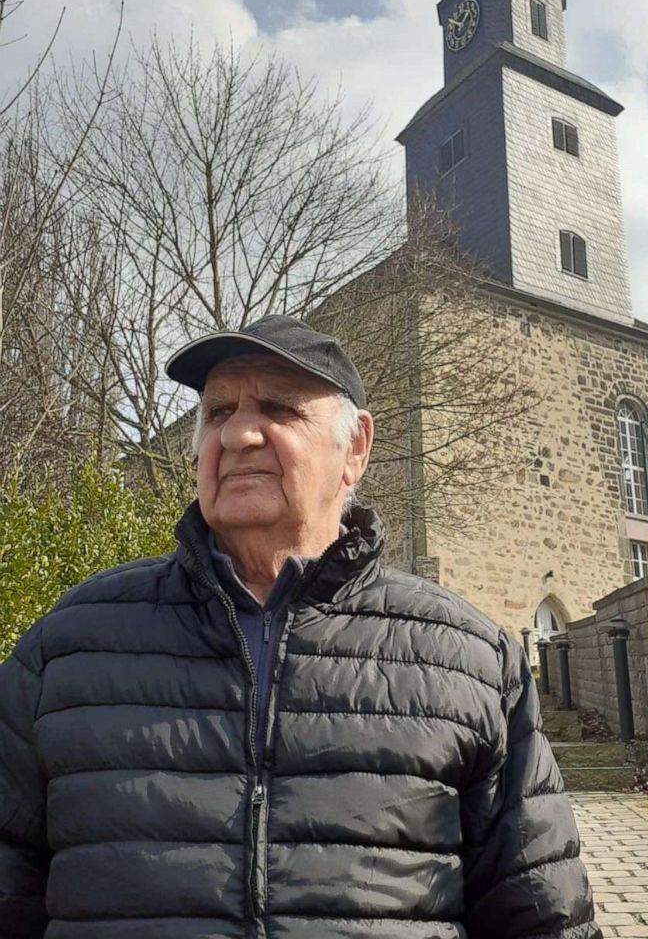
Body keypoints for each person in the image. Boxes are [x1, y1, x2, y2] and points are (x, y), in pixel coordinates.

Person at [0, 314, 602, 939]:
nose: (236, 434)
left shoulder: (471, 662)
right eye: (216, 412)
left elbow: (540, 912)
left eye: (280, 409)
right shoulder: (67, 646)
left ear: (356, 448)